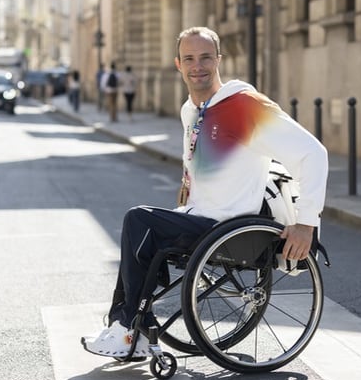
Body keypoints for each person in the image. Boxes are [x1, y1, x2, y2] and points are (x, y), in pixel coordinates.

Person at [82, 26, 328, 358]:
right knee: (139, 234)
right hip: (201, 219)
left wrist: (306, 223)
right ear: (178, 65)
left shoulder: (244, 105)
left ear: (219, 60)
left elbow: (313, 153)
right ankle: (129, 327)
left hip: (230, 225)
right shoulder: (192, 110)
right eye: (189, 59)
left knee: (137, 219)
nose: (198, 66)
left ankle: (128, 329)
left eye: (206, 58)